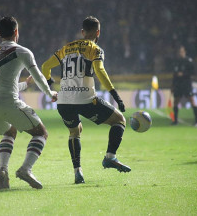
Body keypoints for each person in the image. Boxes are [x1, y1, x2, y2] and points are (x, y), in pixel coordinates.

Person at [42, 16, 131, 184]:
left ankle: (78, 172)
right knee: (119, 121)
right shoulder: (95, 49)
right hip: (86, 99)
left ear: (82, 32)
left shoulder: (65, 48)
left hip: (64, 101)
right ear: (98, 32)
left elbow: (45, 66)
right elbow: (100, 71)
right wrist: (115, 96)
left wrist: (49, 83)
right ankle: (110, 157)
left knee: (75, 132)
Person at [0, 16, 58, 190]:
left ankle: (3, 169)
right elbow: (38, 75)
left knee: (10, 131)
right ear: (16, 32)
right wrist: (50, 92)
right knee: (40, 133)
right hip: (6, 103)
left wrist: (25, 84)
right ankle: (26, 169)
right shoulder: (21, 51)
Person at [171, 45, 197, 126]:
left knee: (192, 100)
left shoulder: (189, 61)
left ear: (185, 52)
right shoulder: (176, 62)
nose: (181, 53)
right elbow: (174, 75)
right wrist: (172, 86)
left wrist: (183, 74)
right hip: (178, 85)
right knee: (175, 101)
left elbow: (193, 73)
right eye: (179, 52)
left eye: (182, 51)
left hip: (186, 84)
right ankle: (175, 121)